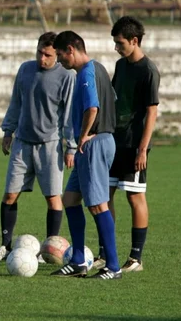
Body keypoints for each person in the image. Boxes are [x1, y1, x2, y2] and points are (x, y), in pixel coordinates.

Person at [0, 32, 76, 262]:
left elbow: (68, 115)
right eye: (39, 52)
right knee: (9, 195)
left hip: (50, 146)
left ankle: (49, 250)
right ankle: (5, 247)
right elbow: (15, 102)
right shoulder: (25, 70)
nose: (41, 58)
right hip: (22, 144)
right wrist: (8, 131)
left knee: (53, 198)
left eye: (47, 55)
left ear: (57, 54)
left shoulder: (67, 76)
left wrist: (71, 147)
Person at [49, 31, 122, 280]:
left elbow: (93, 107)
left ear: (71, 49)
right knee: (70, 199)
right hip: (96, 142)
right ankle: (78, 261)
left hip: (93, 143)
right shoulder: (98, 69)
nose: (59, 61)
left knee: (98, 204)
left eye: (60, 55)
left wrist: (85, 134)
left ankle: (113, 266)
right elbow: (112, 99)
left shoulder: (87, 73)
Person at [93, 16, 160, 272]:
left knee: (134, 196)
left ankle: (135, 258)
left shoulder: (149, 71)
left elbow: (151, 112)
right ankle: (105, 252)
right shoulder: (121, 65)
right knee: (105, 195)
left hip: (134, 144)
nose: (116, 47)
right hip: (113, 141)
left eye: (119, 43)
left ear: (134, 40)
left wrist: (143, 149)